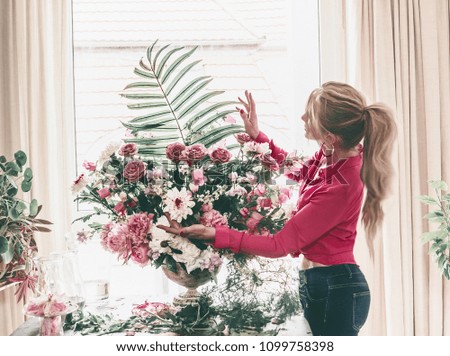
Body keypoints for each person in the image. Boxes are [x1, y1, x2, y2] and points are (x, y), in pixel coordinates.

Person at [158, 82, 397, 336]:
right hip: (322, 284)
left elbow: (279, 245)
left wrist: (215, 234)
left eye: (310, 115)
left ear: (330, 136)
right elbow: (298, 170)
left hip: (337, 290)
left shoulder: (342, 185)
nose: (302, 118)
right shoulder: (333, 155)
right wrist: (257, 137)